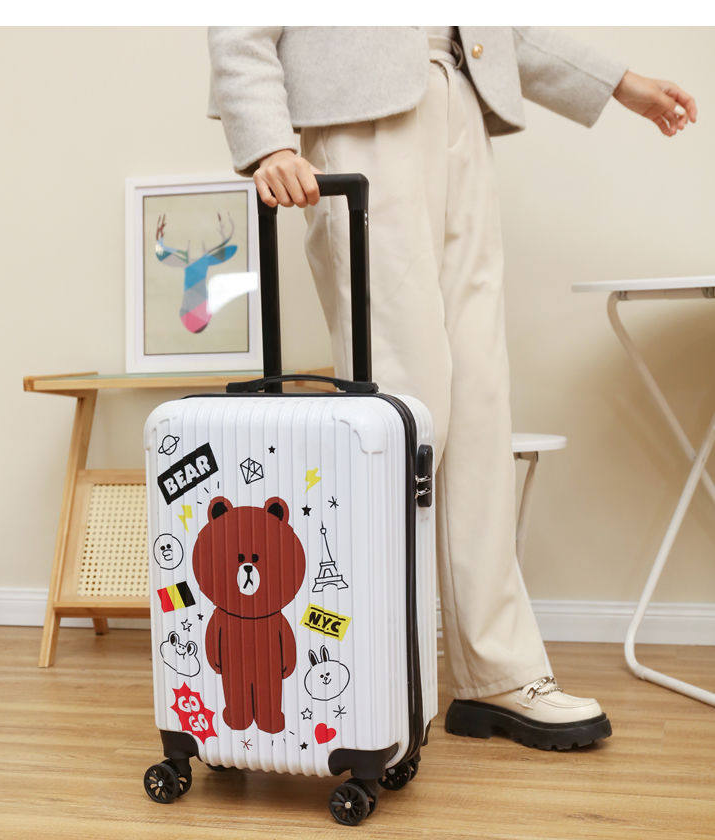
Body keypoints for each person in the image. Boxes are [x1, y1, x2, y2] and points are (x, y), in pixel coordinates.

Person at [206, 27, 697, 750]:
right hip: (359, 115)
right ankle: (380, 671)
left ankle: (497, 670)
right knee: (403, 402)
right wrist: (268, 142)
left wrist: (616, 81)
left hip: (461, 100)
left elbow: (495, 26)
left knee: (479, 403)